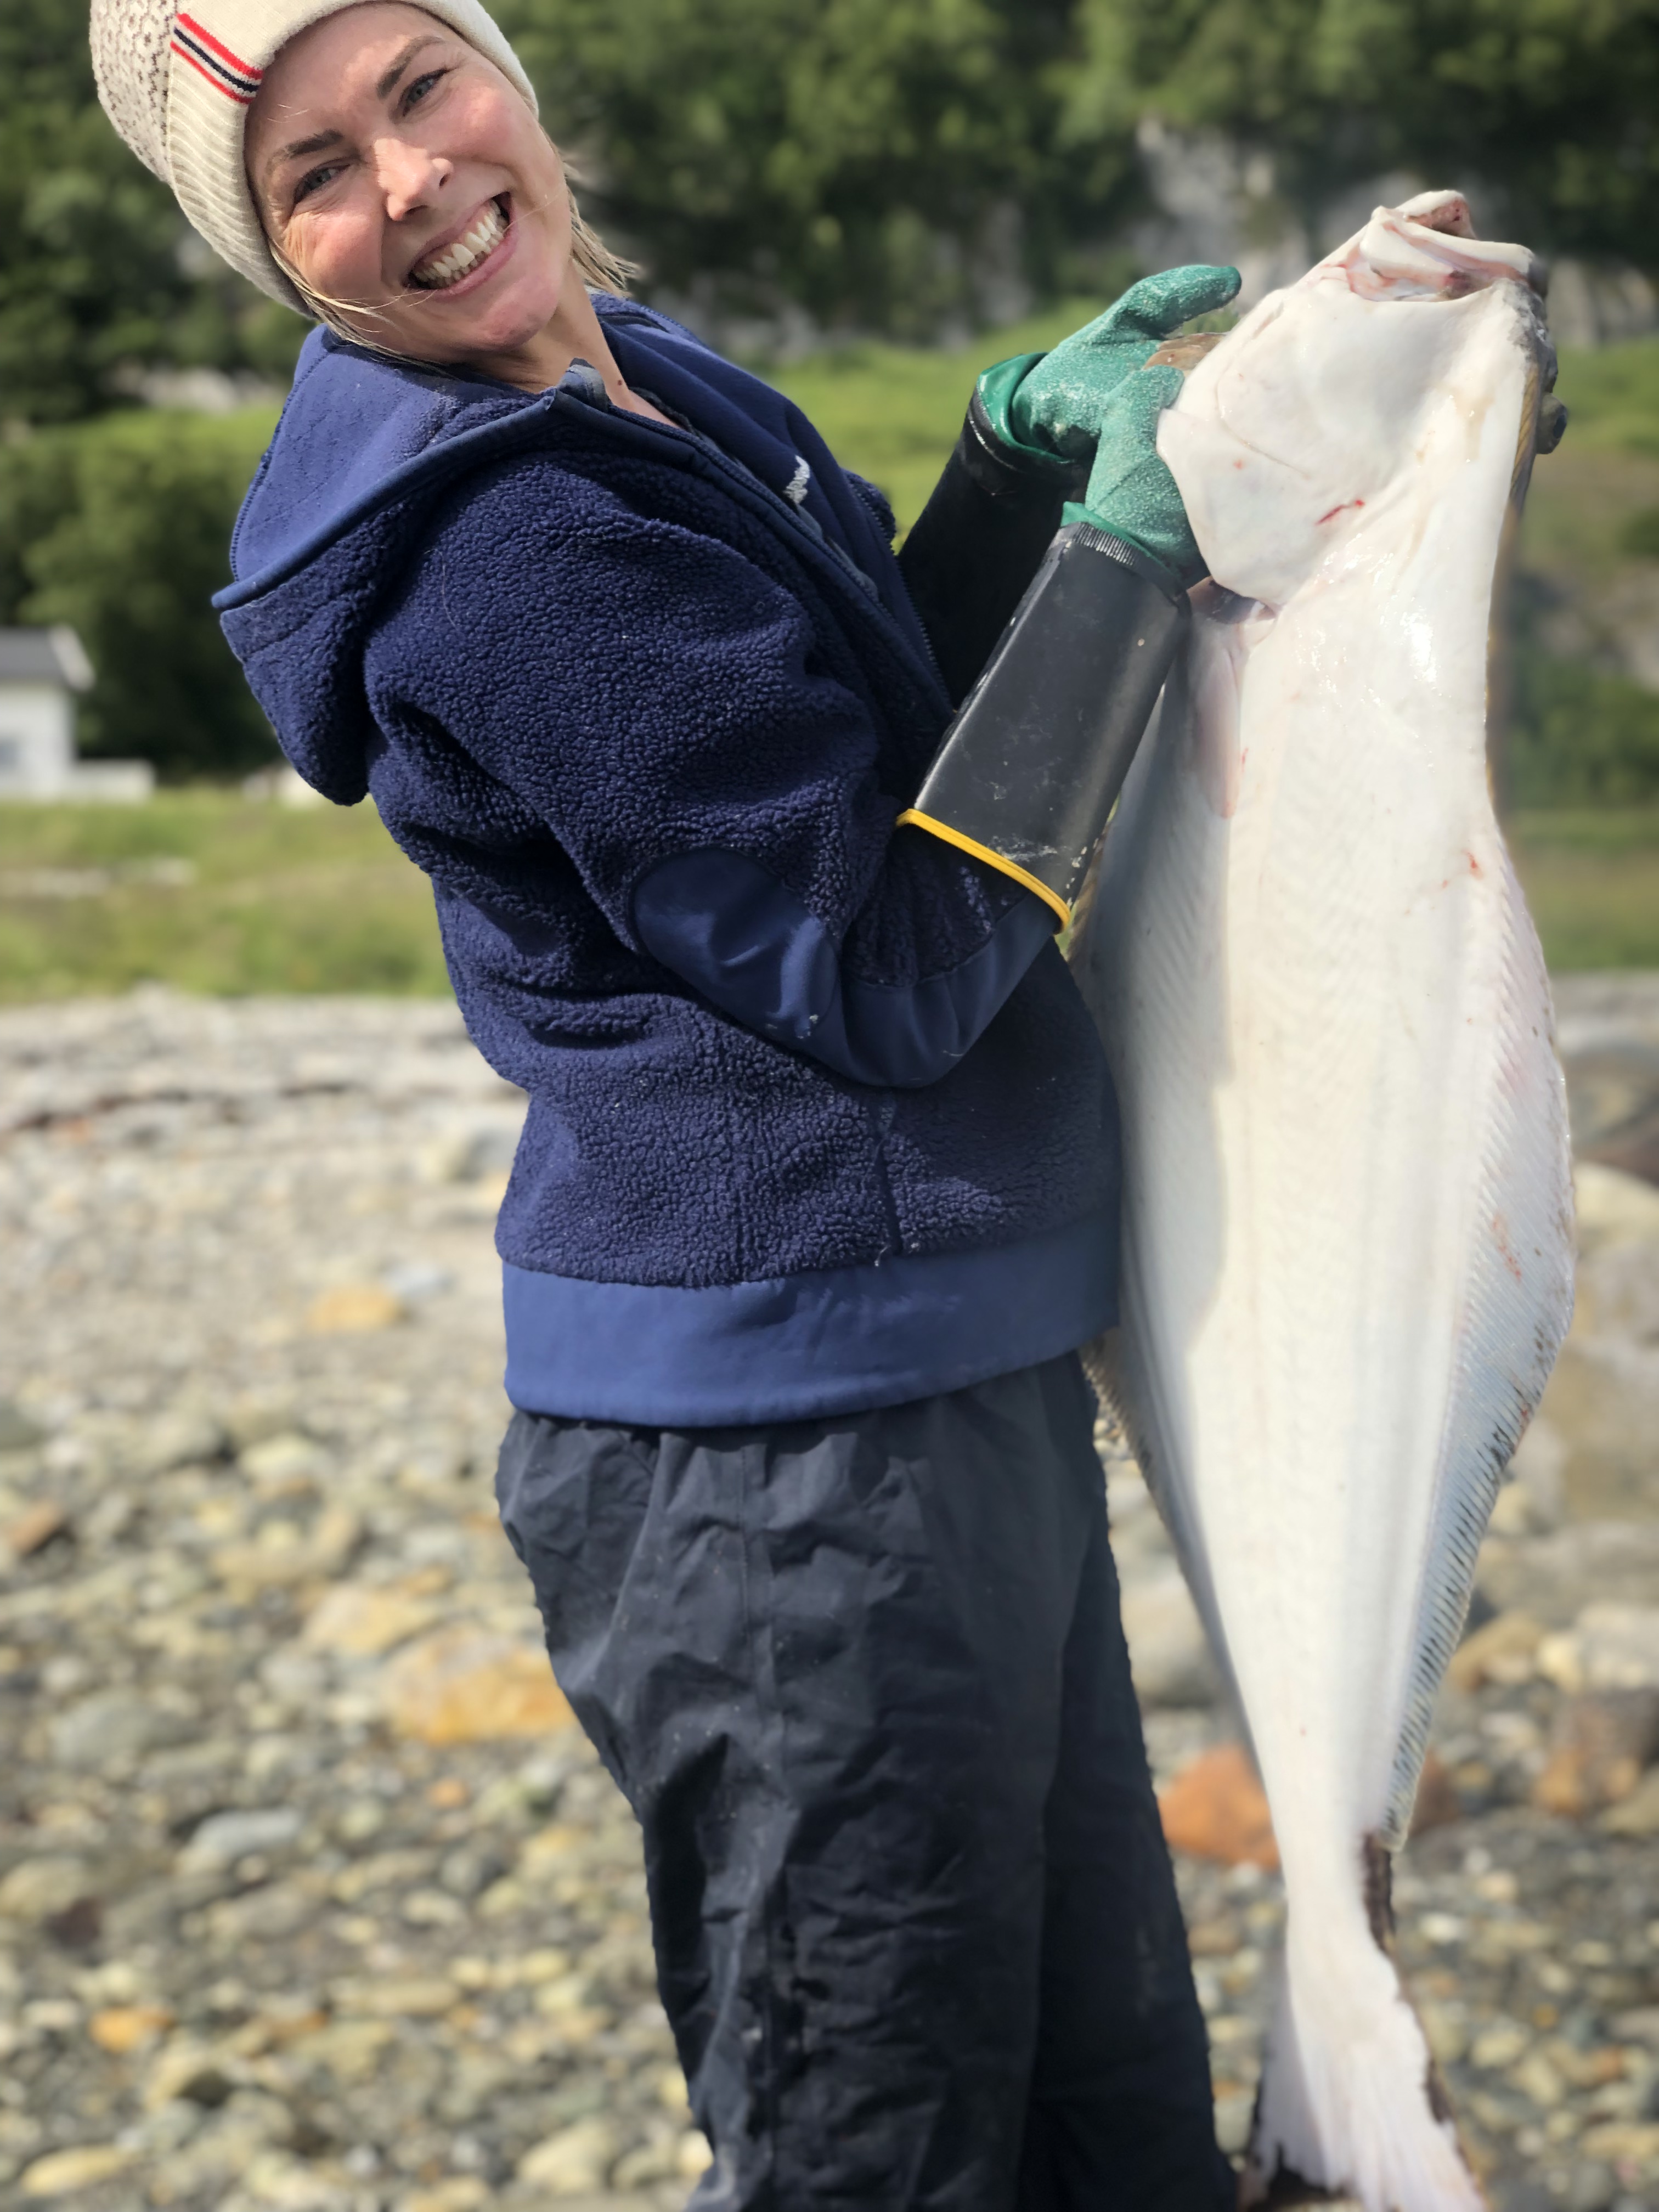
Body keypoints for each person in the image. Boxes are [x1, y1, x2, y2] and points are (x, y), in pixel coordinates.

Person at [92, 2, 1242, 2201]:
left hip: (938, 1373)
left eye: (424, 86)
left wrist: (1010, 471)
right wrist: (1123, 572)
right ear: (269, 254)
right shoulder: (509, 561)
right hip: (789, 1478)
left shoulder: (625, 369)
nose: (412, 180)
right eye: (315, 170)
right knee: (879, 2153)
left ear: (502, 74)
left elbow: (854, 750)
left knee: (1110, 2132)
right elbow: (878, 968)